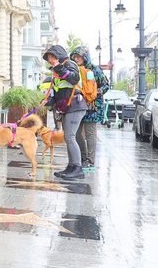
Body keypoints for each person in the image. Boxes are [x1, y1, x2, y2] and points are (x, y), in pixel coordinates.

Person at [40, 45, 89, 180]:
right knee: (69, 137)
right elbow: (58, 92)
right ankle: (71, 167)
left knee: (70, 137)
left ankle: (77, 168)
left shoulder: (69, 64)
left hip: (75, 105)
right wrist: (47, 101)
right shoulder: (57, 70)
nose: (50, 60)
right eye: (48, 58)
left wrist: (58, 67)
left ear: (58, 55)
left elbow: (74, 78)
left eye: (52, 57)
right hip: (68, 107)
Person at [70, 46, 109, 170]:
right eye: (74, 57)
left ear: (85, 57)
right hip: (77, 106)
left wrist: (94, 93)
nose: (76, 59)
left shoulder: (95, 69)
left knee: (90, 134)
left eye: (79, 57)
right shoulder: (74, 69)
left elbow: (106, 85)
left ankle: (91, 162)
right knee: (76, 134)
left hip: (92, 107)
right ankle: (83, 158)